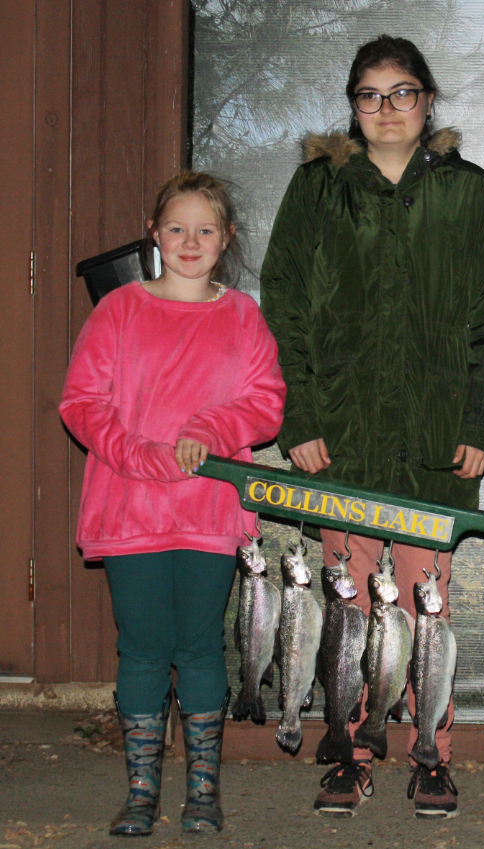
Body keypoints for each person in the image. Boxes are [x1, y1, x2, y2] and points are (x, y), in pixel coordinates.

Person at [259, 34, 484, 818]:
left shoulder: (468, 192)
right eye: (369, 96)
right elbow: (285, 306)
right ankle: (349, 752)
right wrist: (297, 414)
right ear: (353, 107)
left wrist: (481, 418)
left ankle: (431, 754)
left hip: (440, 438)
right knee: (347, 606)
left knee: (425, 604)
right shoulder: (317, 189)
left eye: (402, 92)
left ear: (428, 100)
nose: (386, 109)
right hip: (340, 435)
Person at [60, 171, 286, 837]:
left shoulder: (243, 316)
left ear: (227, 239)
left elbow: (264, 400)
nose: (191, 241)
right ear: (155, 234)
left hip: (209, 511)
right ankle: (139, 791)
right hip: (131, 509)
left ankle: (203, 790)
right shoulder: (119, 311)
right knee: (143, 648)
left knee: (199, 645)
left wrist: (209, 432)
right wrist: (134, 451)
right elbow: (83, 402)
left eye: (206, 230)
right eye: (178, 228)